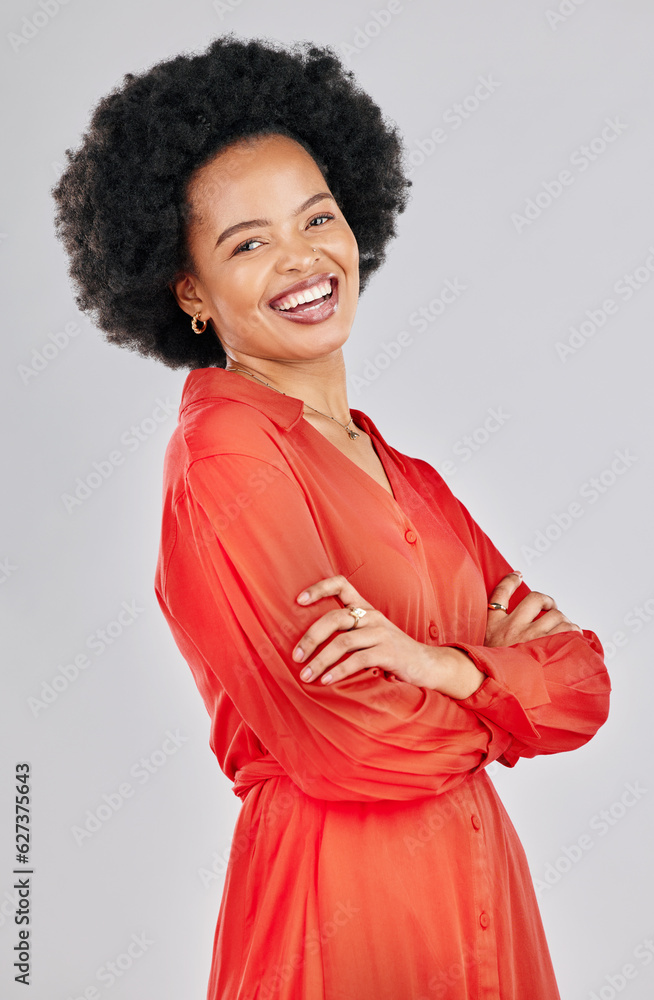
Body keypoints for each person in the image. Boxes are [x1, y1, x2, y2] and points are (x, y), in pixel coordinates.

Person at [51, 33, 611, 1000]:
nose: (302, 258)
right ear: (188, 291)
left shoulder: (413, 477)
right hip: (335, 911)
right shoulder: (226, 452)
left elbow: (585, 688)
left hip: (484, 898)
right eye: (248, 242)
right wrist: (500, 689)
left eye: (317, 216)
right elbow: (350, 738)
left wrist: (438, 666)